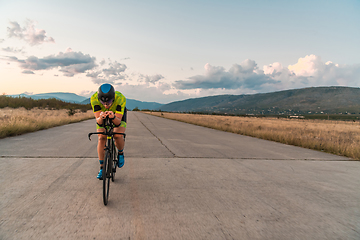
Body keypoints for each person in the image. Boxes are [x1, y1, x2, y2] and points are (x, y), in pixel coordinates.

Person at [91, 83, 127, 179]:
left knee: (117, 135)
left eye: (109, 102)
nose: (106, 105)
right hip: (102, 115)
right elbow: (98, 121)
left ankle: (120, 153)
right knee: (101, 137)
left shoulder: (120, 98)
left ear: (113, 98)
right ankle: (102, 168)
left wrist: (113, 117)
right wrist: (101, 118)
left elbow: (118, 122)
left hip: (117, 115)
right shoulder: (94, 99)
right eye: (103, 103)